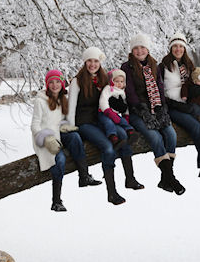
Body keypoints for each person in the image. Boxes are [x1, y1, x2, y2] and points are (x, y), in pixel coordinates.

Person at [122, 33, 186, 195]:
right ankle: (171, 178)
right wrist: (143, 110)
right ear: (132, 51)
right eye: (136, 48)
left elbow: (159, 88)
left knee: (170, 134)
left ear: (147, 49)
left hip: (156, 108)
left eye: (142, 47)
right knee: (155, 137)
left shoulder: (154, 65)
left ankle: (166, 179)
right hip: (137, 111)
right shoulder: (126, 67)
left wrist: (161, 108)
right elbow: (130, 93)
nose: (139, 51)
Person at [31, 69, 101, 212]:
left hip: (59, 134)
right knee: (60, 159)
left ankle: (84, 176)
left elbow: (60, 120)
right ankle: (56, 201)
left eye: (58, 82)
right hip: (46, 138)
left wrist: (65, 127)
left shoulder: (63, 99)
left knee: (75, 137)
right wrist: (45, 138)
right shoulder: (40, 101)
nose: (55, 85)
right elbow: (34, 125)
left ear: (62, 84)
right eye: (51, 82)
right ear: (47, 84)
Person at [67, 47, 130, 205]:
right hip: (84, 122)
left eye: (96, 61)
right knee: (107, 147)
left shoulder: (103, 79)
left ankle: (130, 178)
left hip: (100, 120)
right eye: (90, 61)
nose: (93, 64)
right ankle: (112, 192)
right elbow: (71, 106)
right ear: (85, 62)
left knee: (123, 135)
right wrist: (72, 128)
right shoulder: (77, 81)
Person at [160, 32, 200, 181]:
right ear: (170, 48)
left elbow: (196, 84)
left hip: (190, 105)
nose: (178, 49)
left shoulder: (189, 65)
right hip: (174, 107)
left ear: (184, 48)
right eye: (175, 46)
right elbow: (160, 92)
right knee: (196, 127)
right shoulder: (163, 66)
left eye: (181, 46)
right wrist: (174, 104)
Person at [97, 68, 144, 189]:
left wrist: (126, 117)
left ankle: (130, 131)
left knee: (123, 124)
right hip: (104, 113)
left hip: (117, 115)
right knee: (109, 124)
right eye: (116, 81)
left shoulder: (122, 92)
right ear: (111, 81)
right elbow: (103, 101)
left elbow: (125, 106)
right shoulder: (108, 89)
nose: (119, 83)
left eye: (122, 81)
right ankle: (113, 137)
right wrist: (109, 113)